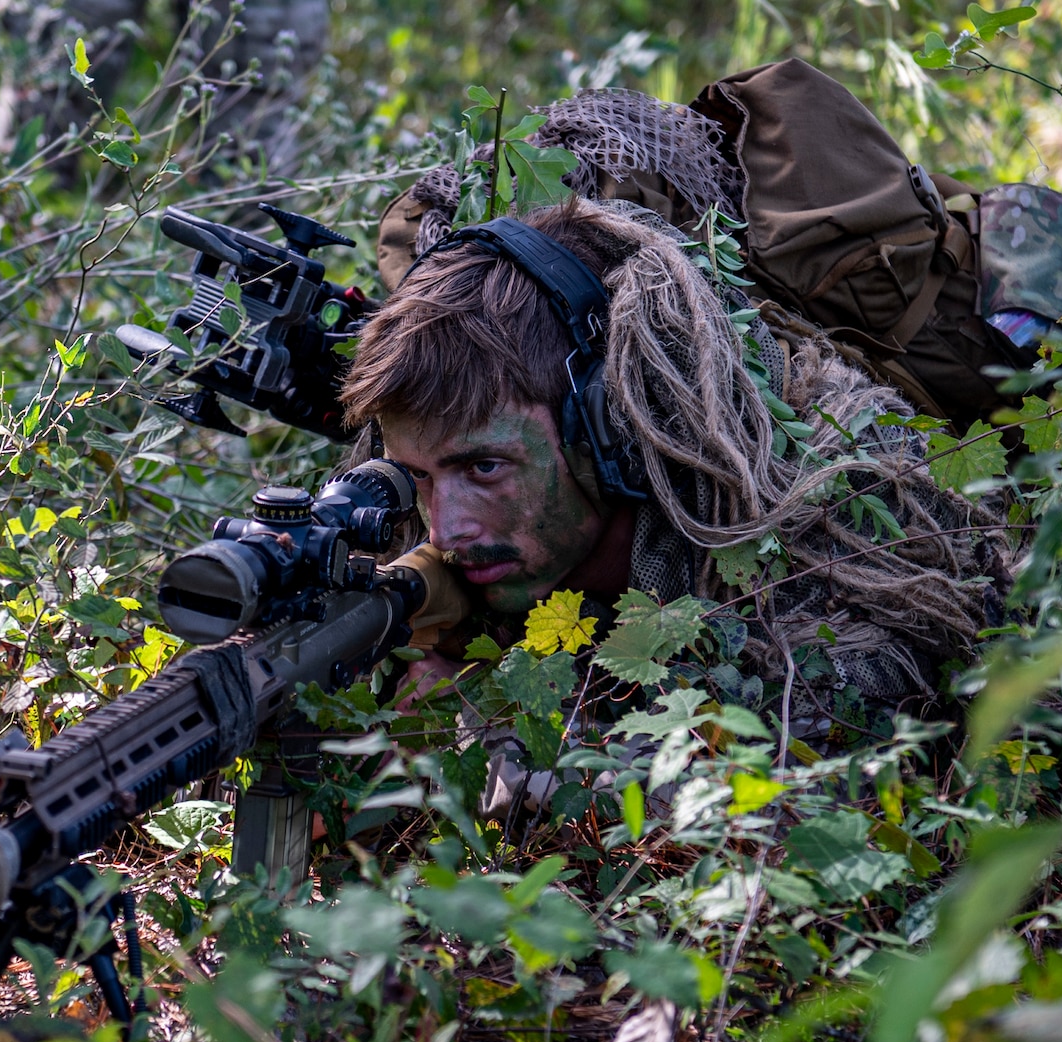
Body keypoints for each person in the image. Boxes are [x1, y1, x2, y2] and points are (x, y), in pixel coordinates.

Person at [336, 190, 1009, 811]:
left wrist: (490, 750)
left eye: (483, 467)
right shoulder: (445, 526)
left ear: (609, 429)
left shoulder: (831, 486)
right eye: (418, 476)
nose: (446, 527)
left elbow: (816, 772)